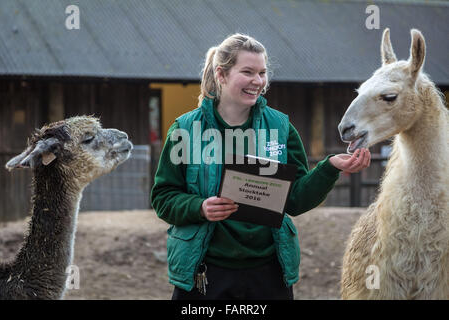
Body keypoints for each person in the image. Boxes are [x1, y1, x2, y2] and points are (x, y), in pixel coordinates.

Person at [150, 34, 371, 300]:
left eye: (262, 73)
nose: (258, 81)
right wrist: (199, 207)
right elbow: (163, 198)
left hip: (269, 274)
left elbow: (296, 201)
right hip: (205, 274)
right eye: (248, 72)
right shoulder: (185, 130)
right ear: (221, 74)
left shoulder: (280, 127)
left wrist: (330, 168)